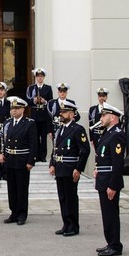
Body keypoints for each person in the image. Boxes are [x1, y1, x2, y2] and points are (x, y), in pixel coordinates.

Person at [49, 99, 89, 237]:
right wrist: (52, 164)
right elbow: (55, 149)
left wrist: (78, 169)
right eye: (61, 112)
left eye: (65, 112)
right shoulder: (60, 129)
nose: (62, 114)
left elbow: (85, 151)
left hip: (70, 168)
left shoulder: (77, 129)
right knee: (63, 197)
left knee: (71, 198)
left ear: (72, 114)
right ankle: (66, 224)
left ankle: (73, 226)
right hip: (60, 167)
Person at [0, 96, 38, 225]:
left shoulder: (29, 123)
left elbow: (33, 144)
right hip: (10, 159)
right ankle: (13, 213)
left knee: (21, 188)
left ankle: (22, 214)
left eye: (17, 108)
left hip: (22, 159)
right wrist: (1, 153)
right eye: (12, 109)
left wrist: (31, 161)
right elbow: (2, 139)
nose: (14, 111)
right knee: (12, 188)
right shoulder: (7, 123)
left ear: (22, 109)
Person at [93, 103, 126, 256]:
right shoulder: (107, 133)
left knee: (111, 214)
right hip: (103, 178)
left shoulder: (117, 134)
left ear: (112, 117)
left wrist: (113, 185)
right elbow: (103, 157)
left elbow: (118, 164)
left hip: (109, 181)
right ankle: (110, 242)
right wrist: (97, 169)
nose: (101, 118)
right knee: (106, 214)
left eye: (104, 115)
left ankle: (115, 245)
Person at [26, 68, 53, 162]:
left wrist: (44, 101)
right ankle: (36, 156)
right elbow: (27, 101)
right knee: (35, 137)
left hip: (44, 115)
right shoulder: (31, 88)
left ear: (44, 77)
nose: (40, 78)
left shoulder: (48, 88)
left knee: (44, 137)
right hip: (35, 114)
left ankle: (43, 156)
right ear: (36, 77)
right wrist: (33, 101)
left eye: (41, 76)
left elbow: (51, 102)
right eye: (38, 76)